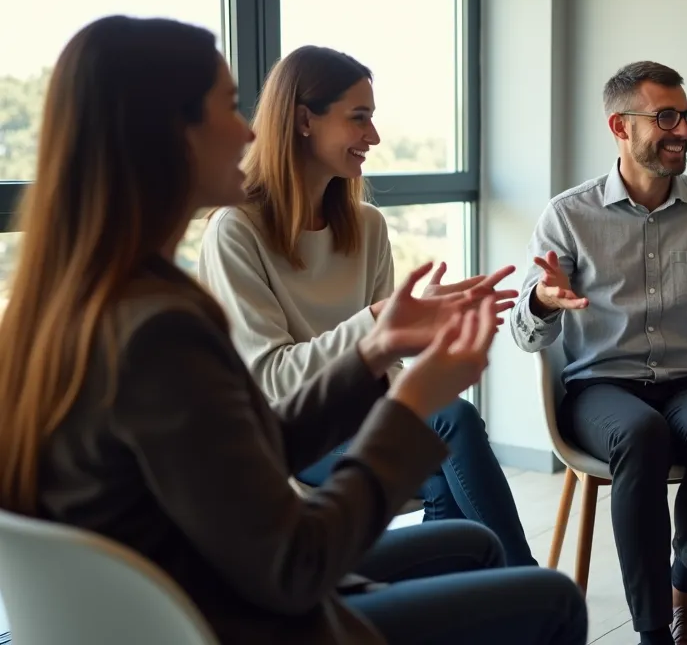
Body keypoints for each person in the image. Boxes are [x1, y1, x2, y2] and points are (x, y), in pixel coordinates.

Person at [0, 16, 585, 645]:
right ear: (165, 135)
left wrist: (377, 348)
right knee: (551, 600)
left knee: (469, 542)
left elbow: (246, 447)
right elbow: (298, 564)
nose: (250, 128)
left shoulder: (76, 302)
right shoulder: (158, 330)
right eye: (226, 106)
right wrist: (415, 400)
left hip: (205, 584)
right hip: (231, 618)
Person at [195, 45, 536, 567]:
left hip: (360, 422)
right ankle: (524, 591)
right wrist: (379, 324)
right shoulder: (235, 231)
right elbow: (271, 380)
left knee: (447, 459)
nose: (373, 138)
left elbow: (386, 366)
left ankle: (473, 604)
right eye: (359, 119)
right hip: (284, 438)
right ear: (305, 119)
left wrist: (408, 341)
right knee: (456, 423)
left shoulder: (367, 227)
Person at [511, 60, 687, 645]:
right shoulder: (568, 215)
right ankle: (651, 631)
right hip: (601, 389)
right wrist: (542, 303)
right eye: (665, 117)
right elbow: (526, 335)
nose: (683, 130)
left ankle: (682, 588)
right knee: (640, 435)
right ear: (621, 127)